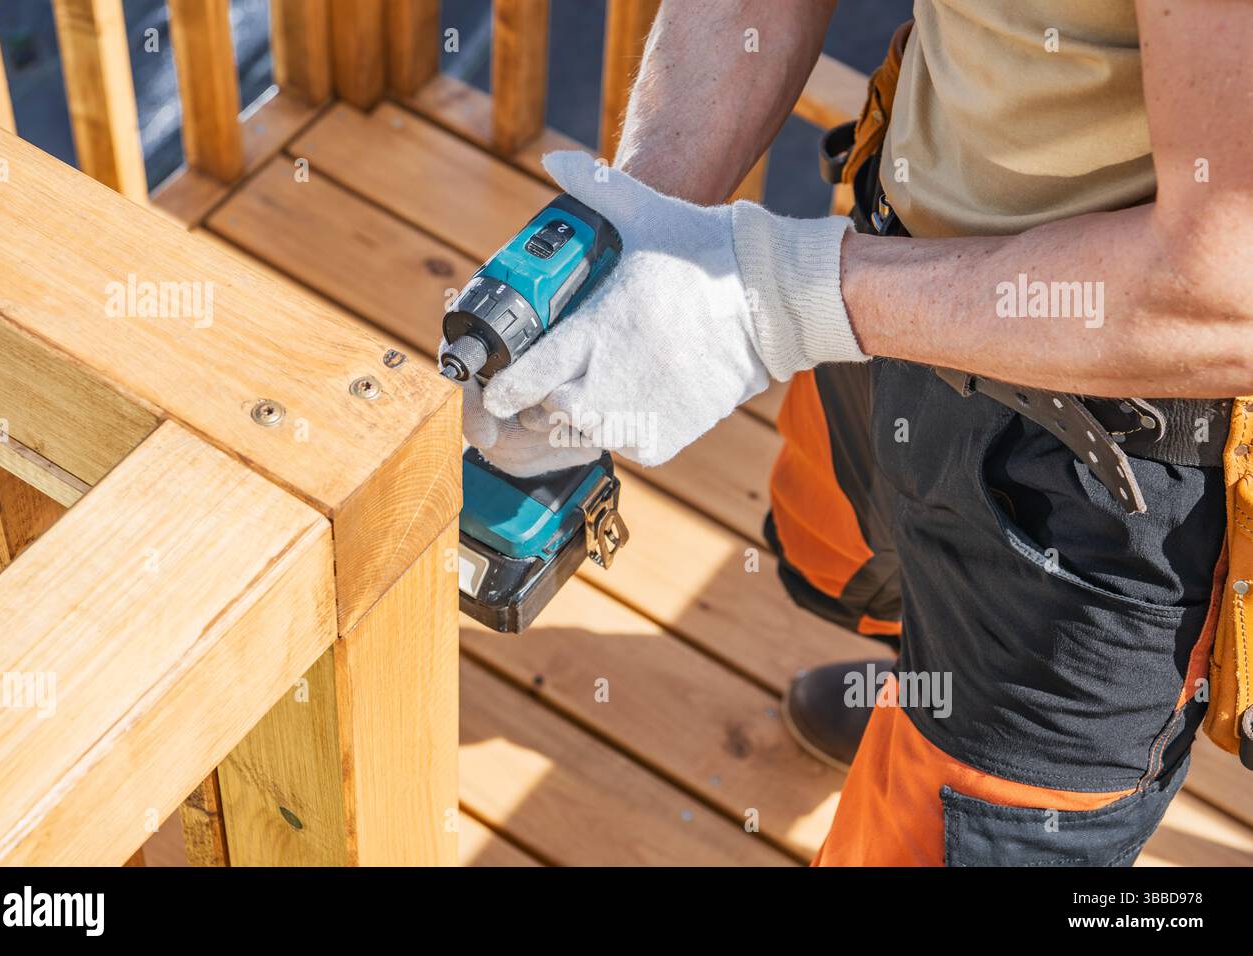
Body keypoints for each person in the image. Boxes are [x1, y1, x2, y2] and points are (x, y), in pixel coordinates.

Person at [455, 0, 1253, 865]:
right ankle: (921, 695)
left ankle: (947, 747)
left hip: (1113, 460)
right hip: (885, 273)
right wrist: (641, 235)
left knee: (970, 823)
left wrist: (777, 301)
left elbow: (1225, 295)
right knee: (860, 555)